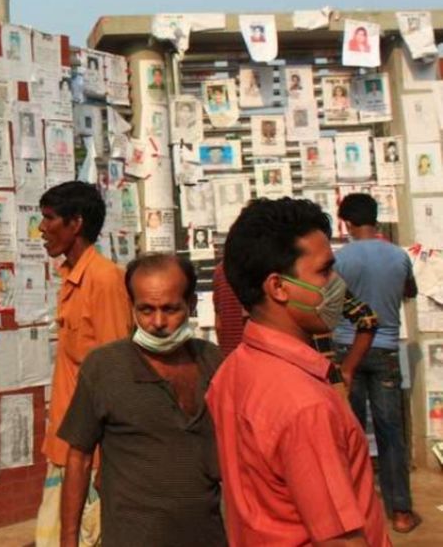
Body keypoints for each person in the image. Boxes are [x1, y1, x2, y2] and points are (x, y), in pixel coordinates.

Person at [207, 198, 390, 546]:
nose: (336, 283)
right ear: (277, 287)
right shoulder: (305, 405)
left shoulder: (231, 373)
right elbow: (340, 537)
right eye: (324, 271)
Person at [59, 254, 225, 546]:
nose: (158, 322)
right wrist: (69, 538)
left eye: (170, 309)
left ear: (192, 305)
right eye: (146, 310)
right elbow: (79, 457)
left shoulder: (212, 361)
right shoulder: (104, 367)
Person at [35, 181, 131, 547]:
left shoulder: (104, 280)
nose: (42, 229)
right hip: (66, 447)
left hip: (90, 459)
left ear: (75, 224)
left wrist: (107, 462)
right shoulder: (70, 278)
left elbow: (117, 374)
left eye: (49, 219)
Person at [332, 193, 421, 533]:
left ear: (348, 223)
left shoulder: (341, 259)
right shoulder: (397, 256)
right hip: (384, 349)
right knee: (390, 432)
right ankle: (400, 512)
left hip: (346, 350)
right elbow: (409, 291)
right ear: (376, 219)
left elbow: (331, 301)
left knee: (349, 433)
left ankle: (355, 507)